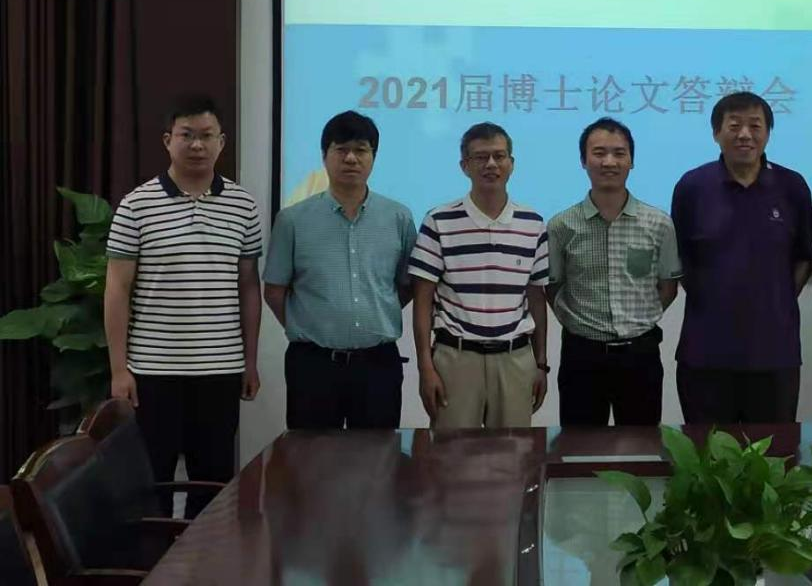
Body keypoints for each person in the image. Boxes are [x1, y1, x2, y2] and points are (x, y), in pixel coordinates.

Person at [104, 95, 262, 517]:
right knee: (150, 481)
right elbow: (117, 289)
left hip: (220, 371)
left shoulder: (243, 205)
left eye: (206, 136)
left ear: (222, 142)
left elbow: (249, 286)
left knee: (212, 483)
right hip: (153, 372)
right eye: (186, 135)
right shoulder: (136, 205)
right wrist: (119, 370)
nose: (196, 145)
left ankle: (205, 556)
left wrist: (249, 361)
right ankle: (153, 557)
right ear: (167, 140)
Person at [263, 111, 416, 430]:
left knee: (377, 455)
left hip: (378, 364)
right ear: (324, 155)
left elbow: (406, 285)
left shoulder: (398, 218)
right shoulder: (292, 220)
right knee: (312, 455)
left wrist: (378, 311)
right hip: (313, 365)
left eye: (361, 150)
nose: (351, 158)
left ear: (374, 156)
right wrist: (309, 325)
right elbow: (275, 291)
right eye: (341, 149)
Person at [672, 92, 812, 424]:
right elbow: (679, 260)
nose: (745, 135)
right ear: (716, 133)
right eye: (734, 126)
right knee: (705, 449)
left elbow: (804, 258)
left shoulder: (792, 186)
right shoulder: (692, 187)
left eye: (755, 126)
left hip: (774, 352)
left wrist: (773, 297)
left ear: (768, 133)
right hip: (705, 351)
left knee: (774, 449)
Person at [410, 122, 549, 429]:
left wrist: (541, 364)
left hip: (515, 359)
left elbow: (537, 298)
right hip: (456, 359)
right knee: (451, 452)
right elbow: (423, 299)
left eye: (499, 156)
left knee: (514, 453)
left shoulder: (533, 223)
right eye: (481, 157)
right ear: (464, 166)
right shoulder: (439, 221)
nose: (491, 164)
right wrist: (425, 367)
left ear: (512, 163)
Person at [547, 117, 680, 426]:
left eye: (619, 153)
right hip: (582, 355)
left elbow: (668, 287)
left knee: (642, 444)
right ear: (583, 161)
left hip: (640, 355)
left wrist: (638, 319)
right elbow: (553, 287)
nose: (609, 162)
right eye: (599, 153)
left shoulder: (658, 223)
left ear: (631, 160)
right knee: (579, 445)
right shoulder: (561, 225)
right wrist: (581, 323)